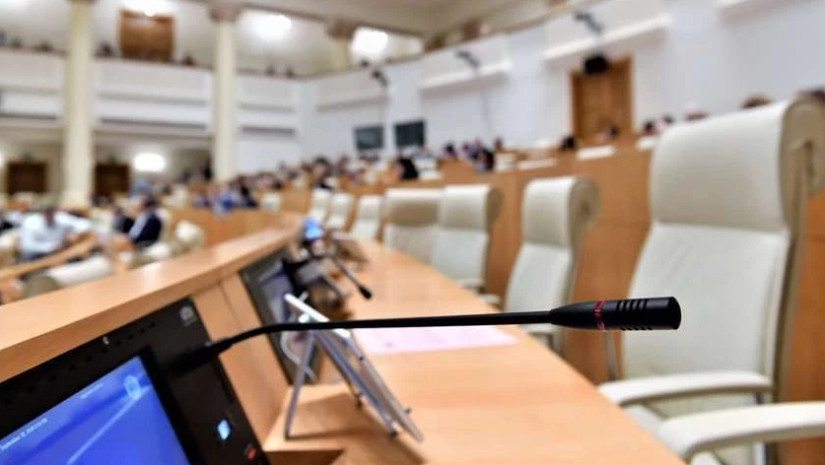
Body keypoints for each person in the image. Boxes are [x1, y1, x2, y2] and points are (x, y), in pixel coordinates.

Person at [19, 206, 91, 262]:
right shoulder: (30, 223)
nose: (49, 215)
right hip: (38, 254)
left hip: (60, 250)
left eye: (51, 212)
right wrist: (52, 247)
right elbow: (29, 246)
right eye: (47, 212)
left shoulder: (60, 218)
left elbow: (84, 224)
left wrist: (76, 232)